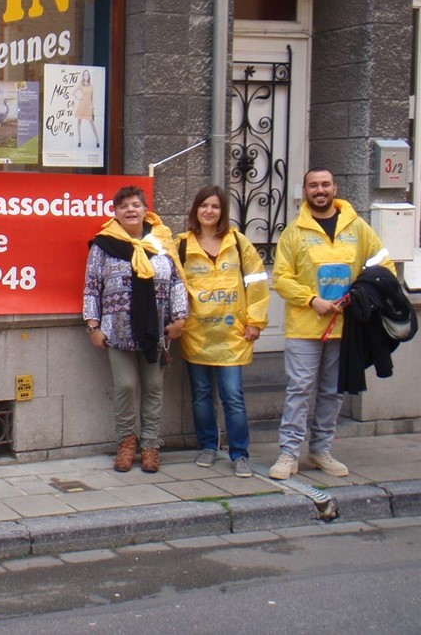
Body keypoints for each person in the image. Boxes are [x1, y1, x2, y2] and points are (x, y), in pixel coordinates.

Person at [269, 168, 395, 479]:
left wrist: (361, 294)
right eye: (313, 185)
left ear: (334, 187)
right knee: (299, 389)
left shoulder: (358, 227)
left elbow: (382, 266)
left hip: (345, 327)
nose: (320, 190)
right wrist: (312, 300)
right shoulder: (294, 232)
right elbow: (282, 279)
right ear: (306, 191)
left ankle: (321, 449)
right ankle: (288, 454)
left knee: (331, 391)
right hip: (304, 326)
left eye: (325, 184)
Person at [83, 186, 188, 473]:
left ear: (145, 210)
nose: (130, 210)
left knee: (153, 387)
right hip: (116, 330)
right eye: (123, 206)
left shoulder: (162, 242)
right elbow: (92, 287)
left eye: (135, 205)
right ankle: (126, 443)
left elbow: (178, 280)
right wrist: (92, 325)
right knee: (126, 386)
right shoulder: (103, 245)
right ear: (115, 213)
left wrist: (179, 319)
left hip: (156, 329)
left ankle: (151, 445)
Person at [177, 185, 269, 478]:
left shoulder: (239, 243)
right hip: (197, 333)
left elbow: (257, 284)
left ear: (222, 212)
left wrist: (256, 320)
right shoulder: (181, 245)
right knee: (202, 394)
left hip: (233, 335)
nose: (209, 211)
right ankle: (208, 445)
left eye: (215, 206)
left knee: (233, 395)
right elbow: (173, 287)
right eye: (204, 205)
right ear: (195, 210)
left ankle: (240, 454)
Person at [73, 69, 101, 149]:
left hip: (88, 106)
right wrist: (79, 98)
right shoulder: (81, 85)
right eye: (85, 74)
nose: (86, 76)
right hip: (82, 105)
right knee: (79, 122)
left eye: (87, 74)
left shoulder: (91, 86)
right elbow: (73, 92)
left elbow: (92, 98)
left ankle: (97, 140)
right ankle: (79, 140)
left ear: (89, 76)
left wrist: (93, 108)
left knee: (92, 123)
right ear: (83, 76)